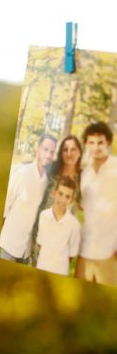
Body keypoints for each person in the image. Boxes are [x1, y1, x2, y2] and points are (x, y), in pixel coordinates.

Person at [0, 134, 57, 263]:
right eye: (46, 149)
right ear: (38, 148)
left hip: (26, 250)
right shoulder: (22, 173)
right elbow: (4, 206)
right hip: (9, 246)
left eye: (52, 152)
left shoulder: (46, 182)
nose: (48, 155)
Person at [29, 135, 83, 263]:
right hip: (40, 233)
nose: (69, 153)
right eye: (65, 149)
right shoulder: (51, 170)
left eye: (73, 149)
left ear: (79, 152)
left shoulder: (83, 180)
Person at [76, 121, 117, 285]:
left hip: (110, 251)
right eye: (91, 142)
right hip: (85, 251)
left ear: (108, 142)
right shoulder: (84, 173)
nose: (96, 147)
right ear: (86, 144)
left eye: (100, 142)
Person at [35, 176, 81, 276]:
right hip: (42, 266)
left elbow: (72, 254)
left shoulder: (74, 225)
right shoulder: (44, 216)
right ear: (54, 193)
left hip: (61, 271)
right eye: (60, 194)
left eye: (67, 197)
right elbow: (40, 242)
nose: (63, 200)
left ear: (72, 200)